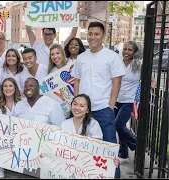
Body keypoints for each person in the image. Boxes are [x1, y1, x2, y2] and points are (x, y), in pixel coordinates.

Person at [71, 22, 126, 179]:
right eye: (90, 33)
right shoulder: (81, 58)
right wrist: (75, 104)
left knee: (109, 148)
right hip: (83, 110)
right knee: (84, 147)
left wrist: (110, 106)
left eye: (96, 34)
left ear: (103, 36)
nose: (92, 37)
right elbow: (77, 81)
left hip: (103, 109)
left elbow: (117, 82)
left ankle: (114, 176)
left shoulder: (112, 57)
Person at [115, 41, 156, 163]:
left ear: (135, 52)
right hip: (116, 100)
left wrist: (147, 90)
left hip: (129, 101)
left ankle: (138, 144)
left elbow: (152, 81)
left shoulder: (138, 65)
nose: (126, 52)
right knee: (117, 127)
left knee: (119, 125)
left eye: (130, 50)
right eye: (125, 49)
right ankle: (123, 154)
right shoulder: (117, 63)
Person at [60, 94, 120, 167]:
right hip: (68, 165)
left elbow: (98, 149)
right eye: (75, 104)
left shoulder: (93, 124)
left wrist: (111, 161)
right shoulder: (64, 124)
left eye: (82, 106)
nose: (77, 108)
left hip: (87, 167)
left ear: (87, 110)